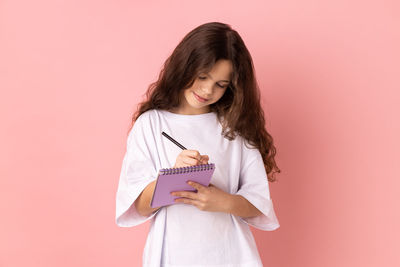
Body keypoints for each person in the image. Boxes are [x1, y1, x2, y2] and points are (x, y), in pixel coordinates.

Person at [115, 21, 281, 267]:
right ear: (185, 66)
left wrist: (223, 201)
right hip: (172, 255)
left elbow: (258, 204)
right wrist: (172, 176)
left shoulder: (234, 127)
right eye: (202, 76)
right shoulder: (151, 124)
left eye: (220, 85)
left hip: (231, 255)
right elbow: (137, 204)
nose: (207, 89)